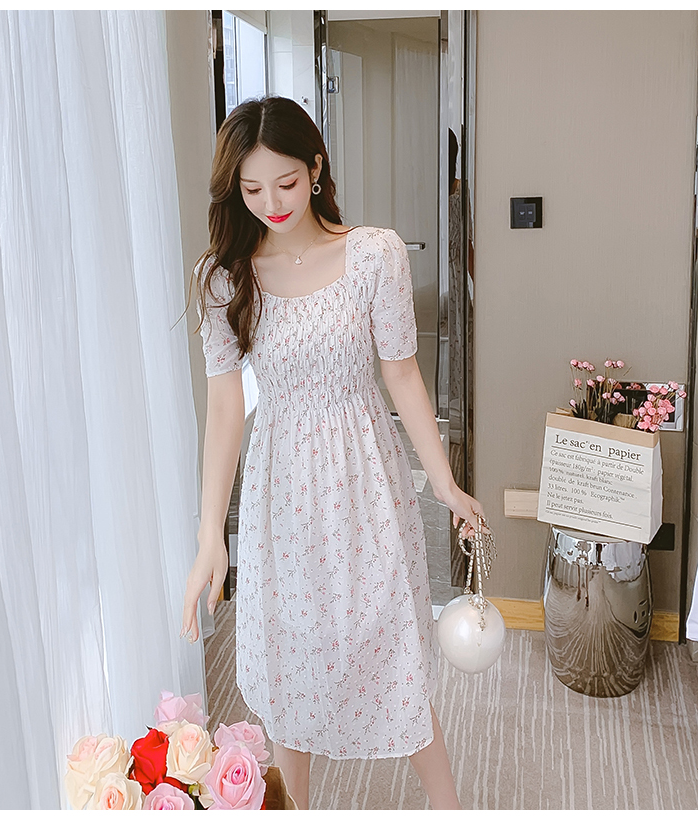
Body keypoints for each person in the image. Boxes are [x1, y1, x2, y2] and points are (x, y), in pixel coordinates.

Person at [181, 96, 485, 810]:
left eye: (286, 182)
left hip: (365, 480)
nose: (272, 204)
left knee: (391, 646)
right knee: (293, 668)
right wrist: (209, 535)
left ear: (316, 168)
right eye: (252, 190)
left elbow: (402, 374)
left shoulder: (374, 254)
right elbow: (224, 408)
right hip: (280, 491)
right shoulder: (226, 277)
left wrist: (444, 483)